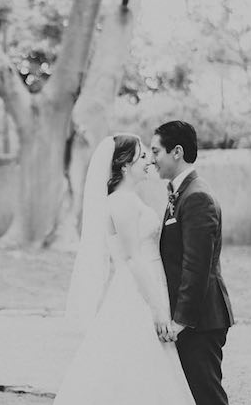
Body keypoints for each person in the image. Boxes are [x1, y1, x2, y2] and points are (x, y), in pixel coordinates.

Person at [55, 134, 195, 405]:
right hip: (137, 293)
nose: (149, 161)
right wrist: (156, 309)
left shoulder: (130, 199)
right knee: (137, 364)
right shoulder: (122, 202)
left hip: (146, 286)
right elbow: (132, 259)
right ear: (124, 166)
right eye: (142, 157)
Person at [149, 121, 234, 405]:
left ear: (176, 152)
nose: (151, 159)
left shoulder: (196, 197)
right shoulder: (182, 192)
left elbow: (197, 266)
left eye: (155, 151)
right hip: (193, 318)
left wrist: (181, 320)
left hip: (201, 321)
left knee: (207, 397)